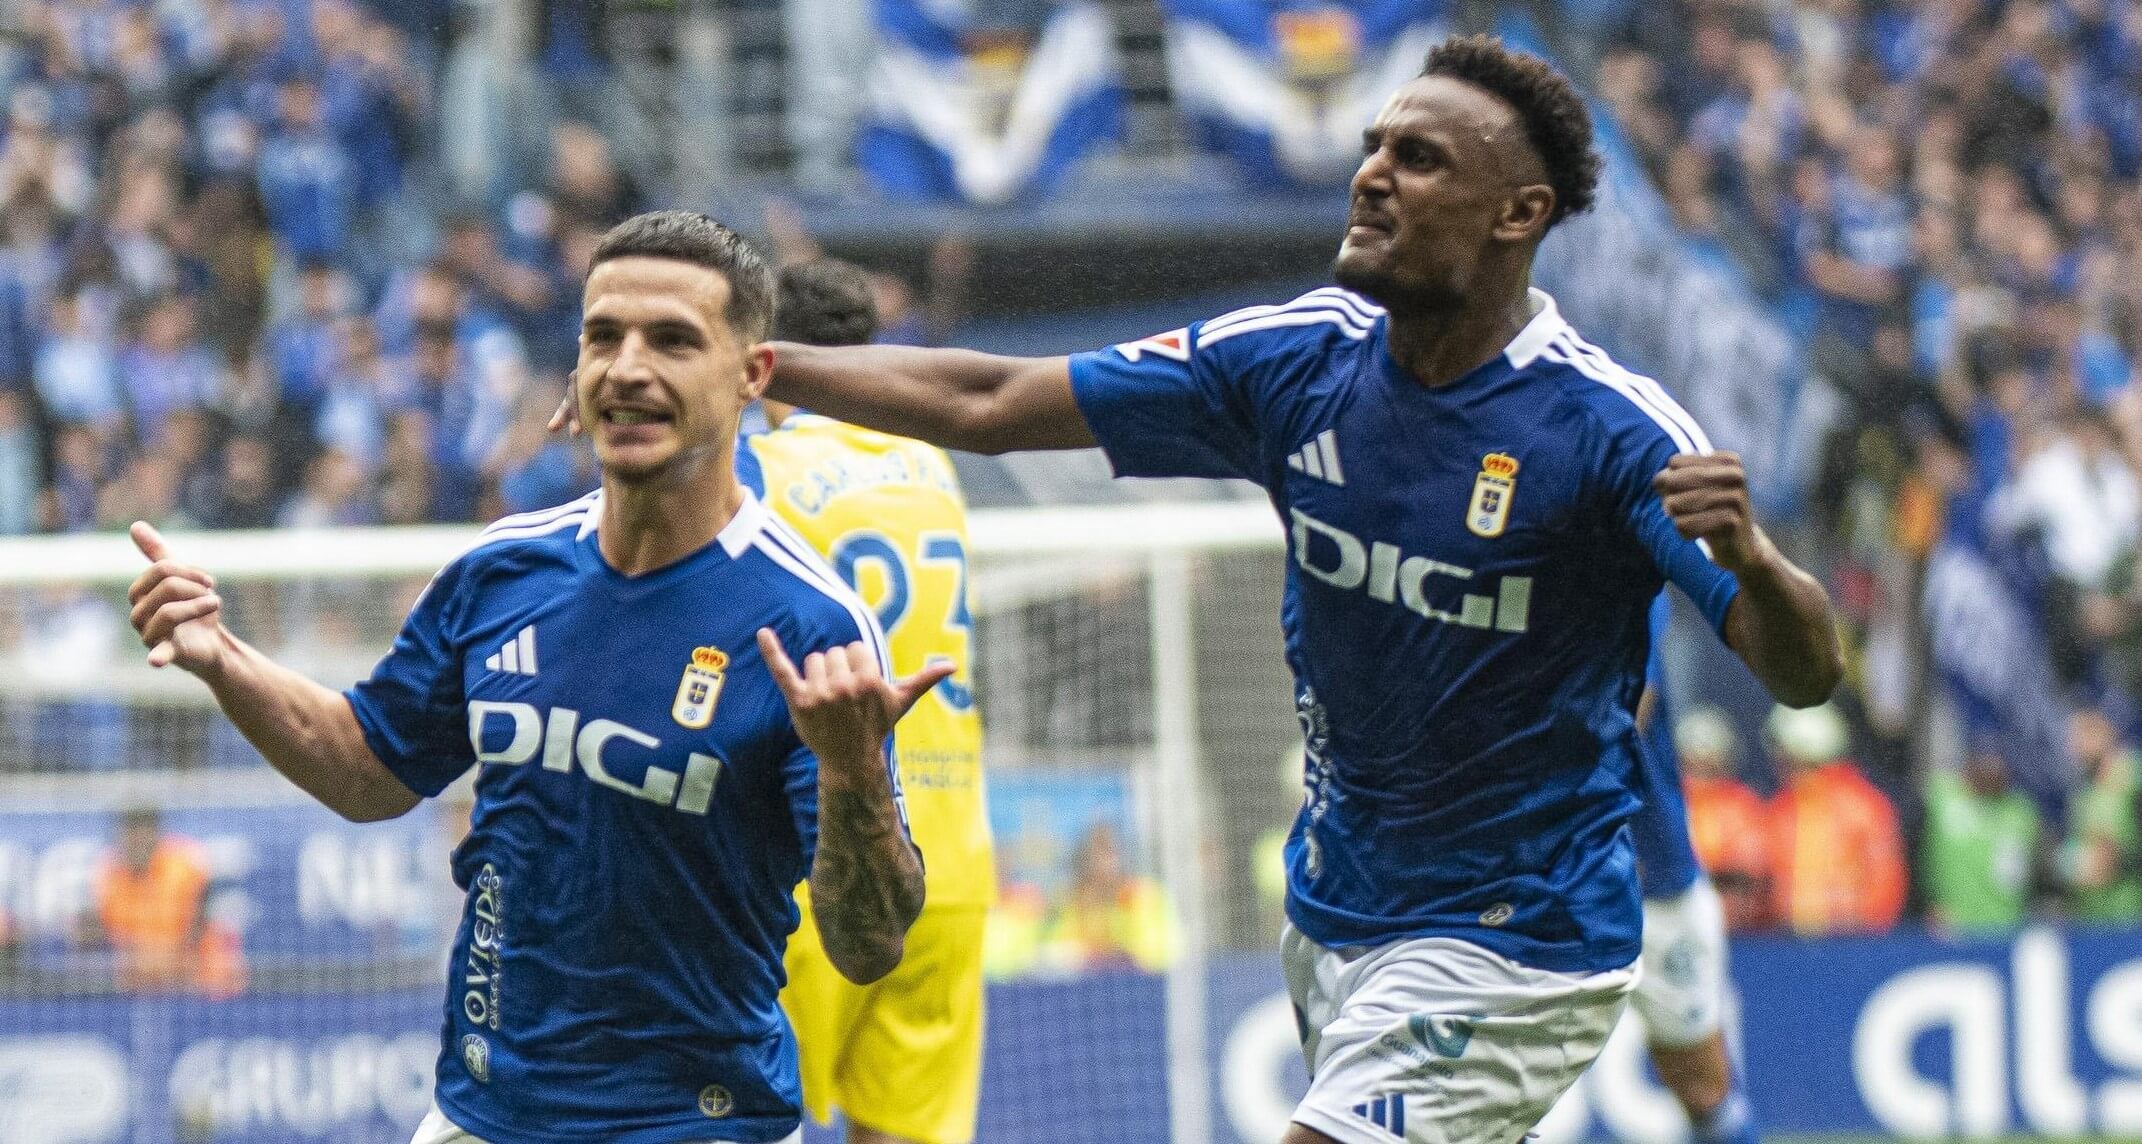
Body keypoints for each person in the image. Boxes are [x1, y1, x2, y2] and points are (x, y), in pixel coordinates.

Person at [728, 36, 1843, 1143]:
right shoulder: (1298, 360)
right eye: (1375, 147)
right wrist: (757, 367)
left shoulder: (1611, 430)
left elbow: (1804, 673)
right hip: (1339, 904)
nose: (1373, 174)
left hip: (1517, 936)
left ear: (1519, 213)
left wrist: (1754, 561)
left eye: (1420, 159)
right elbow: (991, 400)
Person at [126, 210, 938, 1144]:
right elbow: (366, 769)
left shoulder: (811, 624)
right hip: (483, 1115)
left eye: (673, 341)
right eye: (604, 337)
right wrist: (221, 656)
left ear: (752, 375)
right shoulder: (501, 571)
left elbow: (869, 946)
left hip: (698, 1124)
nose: (628, 367)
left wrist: (851, 771)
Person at [745, 258, 995, 1144]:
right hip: (950, 861)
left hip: (819, 861)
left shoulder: (754, 474)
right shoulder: (932, 467)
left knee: (738, 1122)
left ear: (763, 356)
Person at [1625, 597, 1758, 1144]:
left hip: (1652, 876)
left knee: (1703, 1085)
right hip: (1537, 878)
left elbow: (1632, 701)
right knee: (1500, 1083)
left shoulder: (1626, 569)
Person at [1765, 704, 1906, 936]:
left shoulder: (1864, 806)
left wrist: (1861, 934)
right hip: (1786, 941)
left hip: (1852, 942)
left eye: (1783, 754)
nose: (1778, 763)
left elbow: (1885, 885)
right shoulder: (1781, 808)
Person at [84, 805, 246, 996]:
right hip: (139, 985)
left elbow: (193, 934)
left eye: (143, 832)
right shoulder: (108, 875)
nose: (137, 841)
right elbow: (107, 935)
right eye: (131, 833)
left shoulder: (184, 868)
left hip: (201, 983)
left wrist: (151, 956)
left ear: (155, 833)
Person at [1922, 743, 2040, 935]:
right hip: (1954, 928)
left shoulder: (2022, 811)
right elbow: (1919, 853)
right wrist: (1928, 902)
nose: (1990, 769)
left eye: (1997, 763)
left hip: (2007, 928)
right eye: (1984, 761)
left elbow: (2037, 871)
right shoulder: (1943, 797)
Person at [1675, 706, 1772, 932]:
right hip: (1676, 917)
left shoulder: (1742, 805)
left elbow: (1751, 872)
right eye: (1692, 762)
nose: (1700, 769)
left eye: (1707, 762)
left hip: (1736, 926)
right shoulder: (1672, 803)